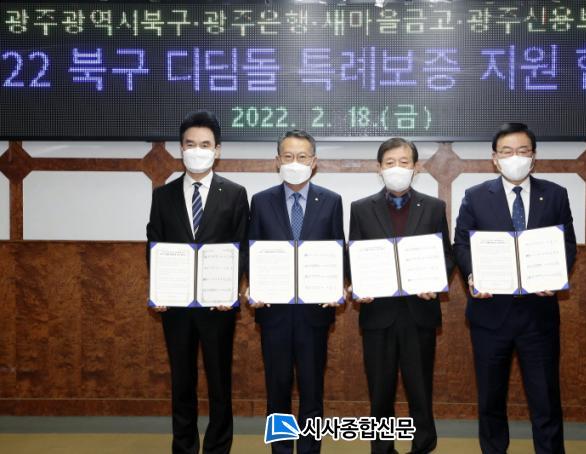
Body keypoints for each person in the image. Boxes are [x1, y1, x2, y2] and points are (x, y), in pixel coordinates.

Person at [453, 122, 577, 454]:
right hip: (490, 315)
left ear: (534, 157)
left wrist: (555, 275)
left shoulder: (555, 194)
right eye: (507, 152)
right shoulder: (476, 196)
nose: (515, 158)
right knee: (490, 399)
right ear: (495, 158)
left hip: (539, 316)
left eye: (523, 151)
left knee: (546, 399)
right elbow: (462, 244)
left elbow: (567, 244)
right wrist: (472, 274)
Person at [146, 110, 248, 454]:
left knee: (220, 381)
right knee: (182, 381)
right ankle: (184, 446)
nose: (197, 150)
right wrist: (158, 289)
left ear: (217, 150)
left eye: (205, 144)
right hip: (175, 306)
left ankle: (218, 447)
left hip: (218, 306)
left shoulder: (235, 193)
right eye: (190, 144)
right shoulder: (163, 195)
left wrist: (232, 289)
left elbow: (242, 245)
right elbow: (154, 243)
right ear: (181, 148)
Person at [348, 137, 455, 454]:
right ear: (379, 168)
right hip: (377, 314)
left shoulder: (434, 207)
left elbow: (446, 256)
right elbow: (354, 256)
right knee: (379, 391)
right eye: (390, 162)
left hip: (418, 312)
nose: (397, 168)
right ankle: (382, 449)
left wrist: (436, 281)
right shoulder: (361, 209)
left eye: (404, 162)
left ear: (416, 168)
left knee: (420, 389)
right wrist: (358, 284)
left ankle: (423, 446)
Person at [248, 129, 345, 454]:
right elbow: (252, 252)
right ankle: (281, 450)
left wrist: (337, 285)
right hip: (273, 313)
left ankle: (309, 450)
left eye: (302, 157)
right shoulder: (261, 201)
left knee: (312, 390)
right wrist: (252, 286)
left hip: (314, 314)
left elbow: (338, 251)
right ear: (277, 161)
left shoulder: (331, 201)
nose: (295, 162)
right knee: (277, 391)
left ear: (313, 162)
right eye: (288, 156)